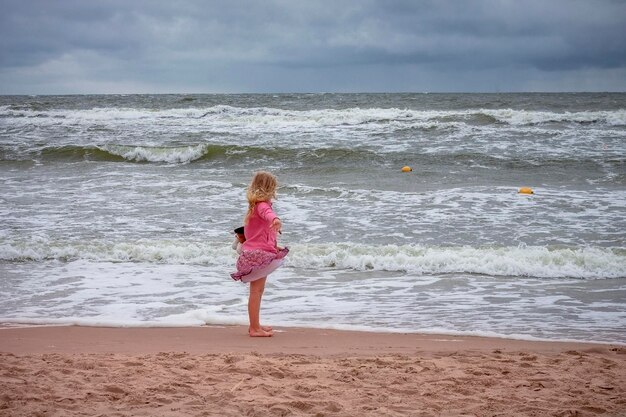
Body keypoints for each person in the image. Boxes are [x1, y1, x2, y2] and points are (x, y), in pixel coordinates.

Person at [231, 171, 289, 337]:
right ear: (270, 188)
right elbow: (268, 215)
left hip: (257, 252)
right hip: (258, 255)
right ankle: (254, 328)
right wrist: (275, 219)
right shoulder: (262, 206)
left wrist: (274, 246)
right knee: (256, 292)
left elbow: (257, 233)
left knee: (257, 291)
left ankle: (255, 325)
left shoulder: (254, 207)